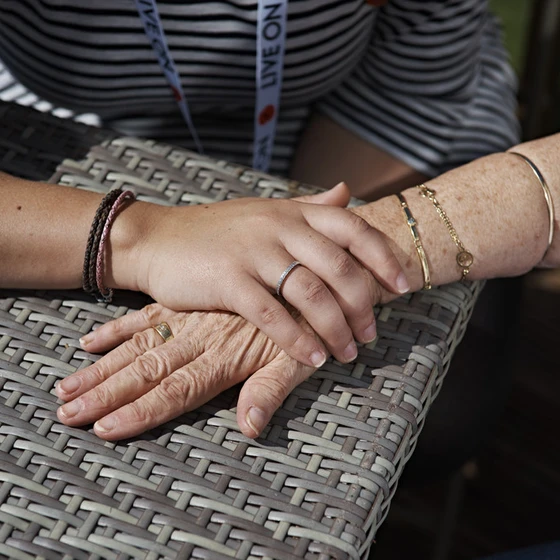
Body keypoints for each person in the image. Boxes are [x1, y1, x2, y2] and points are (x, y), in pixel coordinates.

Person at [0, 1, 523, 435]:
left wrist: (301, 252)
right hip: (75, 146)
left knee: (443, 418)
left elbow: (412, 78)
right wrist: (140, 238)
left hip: (376, 133)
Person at [52, 131, 560, 441]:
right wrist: (144, 238)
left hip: (408, 135)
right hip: (75, 164)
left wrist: (341, 251)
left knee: (445, 413)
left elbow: (426, 63)